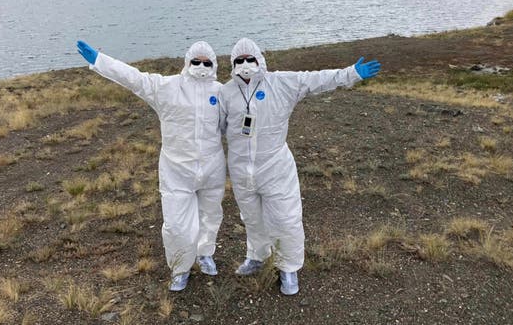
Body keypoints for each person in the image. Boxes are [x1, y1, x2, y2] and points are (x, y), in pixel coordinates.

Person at [219, 38, 381, 295]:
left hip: (275, 167)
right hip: (241, 170)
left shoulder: (282, 82)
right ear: (232, 64)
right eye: (240, 60)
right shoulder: (226, 93)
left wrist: (350, 74)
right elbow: (214, 127)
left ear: (260, 60)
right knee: (252, 218)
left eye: (251, 59)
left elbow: (315, 80)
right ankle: (257, 256)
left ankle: (289, 268)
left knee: (286, 218)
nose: (246, 65)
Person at [76, 40, 226, 292]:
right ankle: (180, 267)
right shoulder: (167, 87)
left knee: (210, 216)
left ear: (214, 65)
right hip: (176, 170)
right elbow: (134, 79)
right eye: (196, 61)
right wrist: (100, 61)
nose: (201, 66)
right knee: (177, 224)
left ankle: (204, 253)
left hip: (212, 168)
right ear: (187, 62)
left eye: (206, 62)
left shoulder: (222, 92)